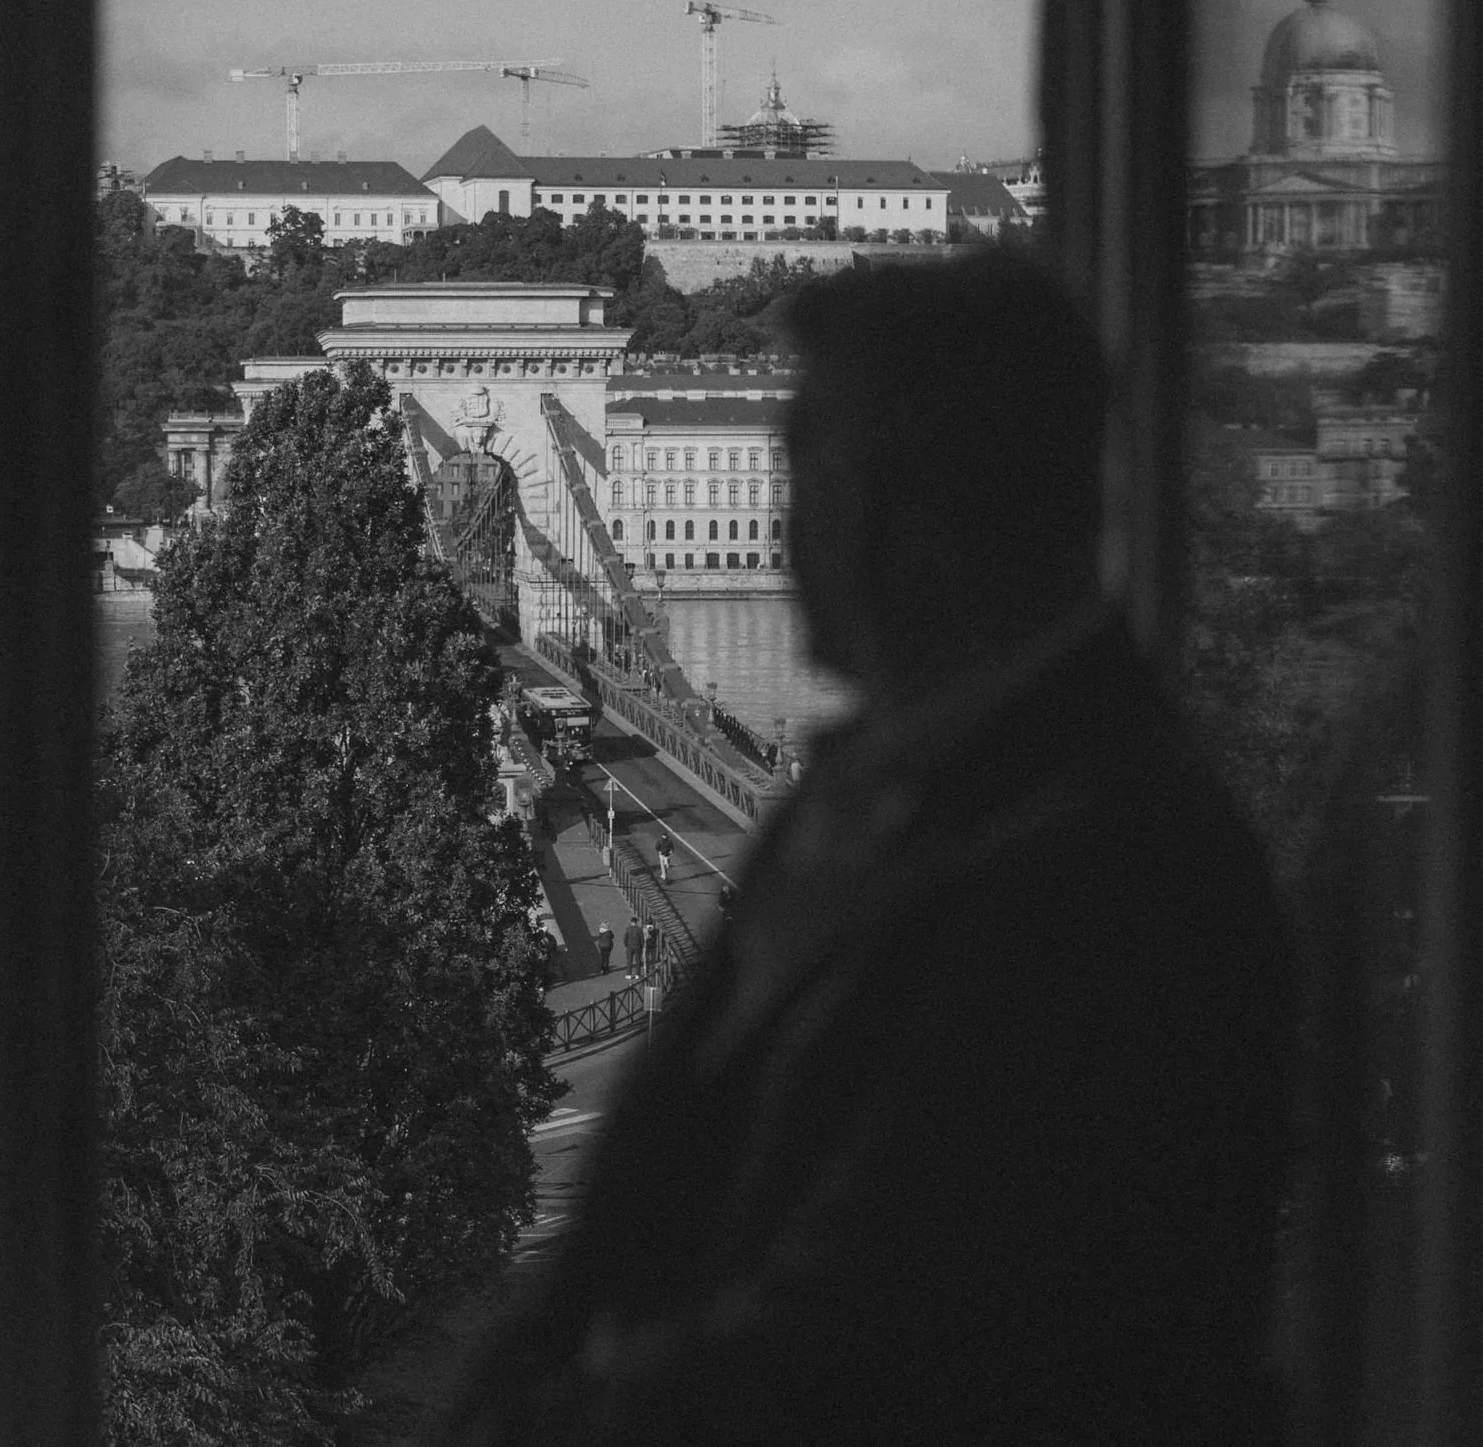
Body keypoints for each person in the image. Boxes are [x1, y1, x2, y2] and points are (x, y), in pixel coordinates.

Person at [432, 250, 1293, 1446]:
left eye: (812, 482)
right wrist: (518, 1360)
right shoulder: (863, 780)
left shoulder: (1121, 870)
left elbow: (855, 1334)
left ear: (928, 505)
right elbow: (641, 1185)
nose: (788, 540)